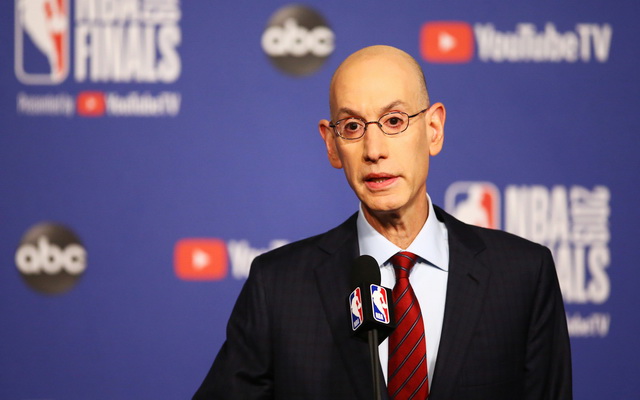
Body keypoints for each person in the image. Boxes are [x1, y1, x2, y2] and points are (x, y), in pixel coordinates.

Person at [193, 45, 572, 400]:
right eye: (352, 127)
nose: (374, 151)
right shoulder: (278, 286)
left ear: (434, 129)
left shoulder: (522, 274)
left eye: (394, 121)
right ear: (331, 145)